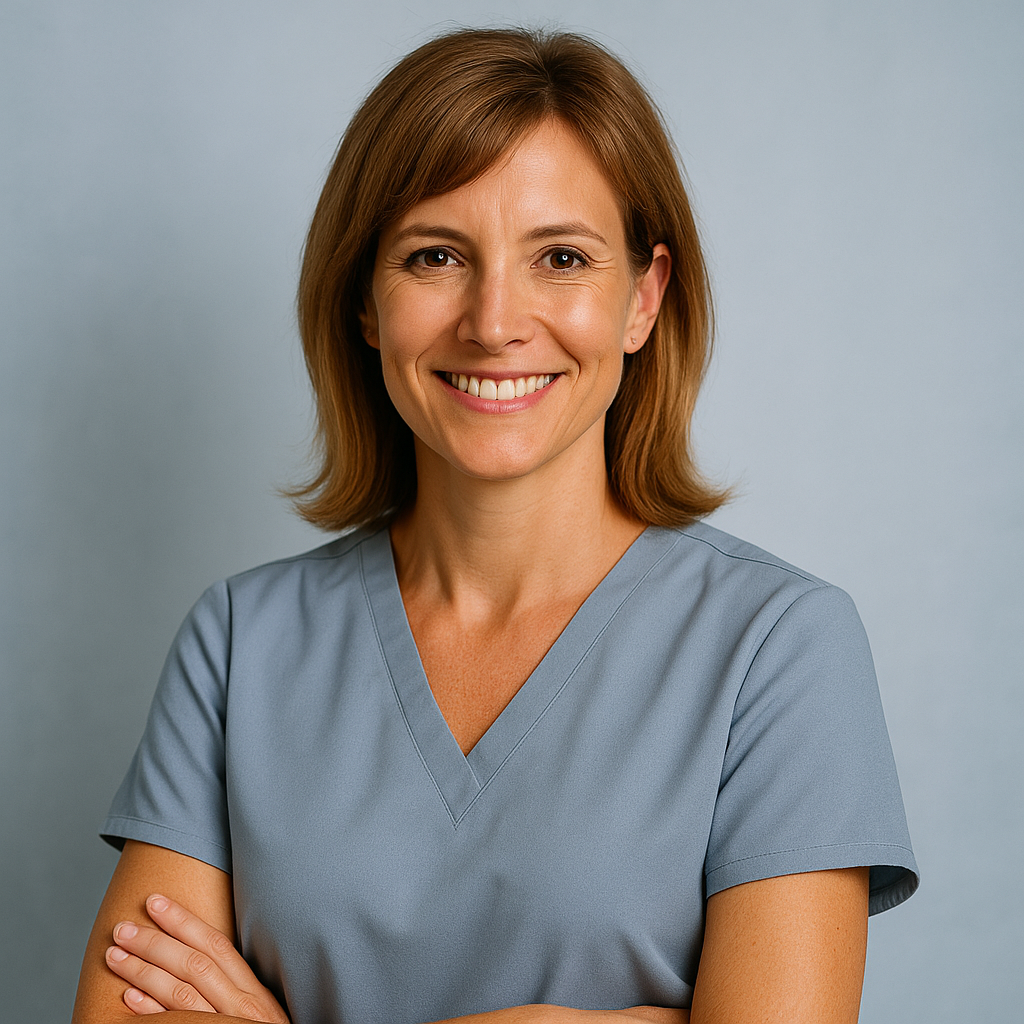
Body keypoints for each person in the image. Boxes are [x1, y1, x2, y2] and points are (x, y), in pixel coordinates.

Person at [71, 26, 918, 1024]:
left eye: (560, 256)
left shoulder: (779, 648)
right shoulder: (238, 645)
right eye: (435, 256)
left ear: (641, 299)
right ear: (365, 303)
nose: (494, 320)